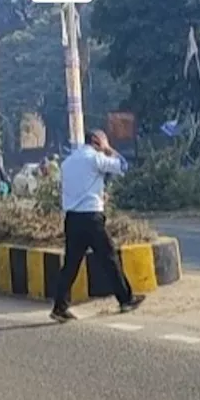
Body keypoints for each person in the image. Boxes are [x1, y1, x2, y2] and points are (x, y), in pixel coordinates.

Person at [50, 131, 146, 323]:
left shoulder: (67, 163)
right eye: (103, 141)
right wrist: (108, 149)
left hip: (72, 218)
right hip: (91, 218)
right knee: (109, 258)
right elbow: (124, 166)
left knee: (70, 265)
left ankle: (59, 307)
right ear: (95, 141)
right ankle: (126, 299)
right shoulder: (95, 158)